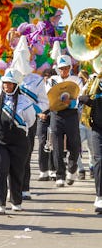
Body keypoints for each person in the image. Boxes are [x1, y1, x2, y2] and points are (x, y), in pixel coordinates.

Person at [0, 68, 36, 215]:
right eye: (5, 83)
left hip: (19, 142)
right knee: (0, 169)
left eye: (10, 84)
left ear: (16, 85)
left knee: (16, 172)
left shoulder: (25, 101)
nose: (7, 86)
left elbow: (30, 120)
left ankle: (16, 200)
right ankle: (0, 203)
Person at [10, 38, 49, 200]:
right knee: (10, 157)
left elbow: (44, 102)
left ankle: (24, 187)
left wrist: (32, 111)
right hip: (10, 123)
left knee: (25, 156)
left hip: (28, 123)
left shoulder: (36, 80)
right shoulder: (8, 78)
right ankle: (12, 188)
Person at [46, 54, 83, 187]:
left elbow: (80, 96)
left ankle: (72, 168)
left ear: (70, 67)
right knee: (56, 146)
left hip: (71, 114)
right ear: (58, 69)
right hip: (56, 114)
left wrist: (72, 102)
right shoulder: (52, 80)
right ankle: (60, 175)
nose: (64, 71)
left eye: (66, 68)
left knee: (75, 144)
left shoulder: (76, 80)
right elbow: (48, 97)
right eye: (61, 68)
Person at [77, 75, 102, 213]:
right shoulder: (93, 81)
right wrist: (83, 98)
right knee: (99, 160)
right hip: (97, 127)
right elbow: (80, 97)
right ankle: (100, 196)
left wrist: (92, 102)